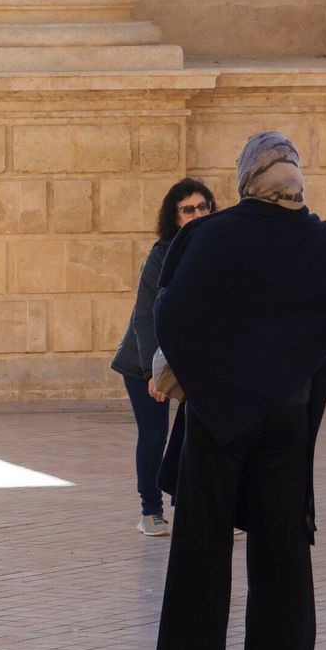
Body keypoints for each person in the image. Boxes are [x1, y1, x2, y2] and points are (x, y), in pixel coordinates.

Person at [136, 131, 326, 650]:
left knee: (202, 546)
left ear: (245, 178)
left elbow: (170, 308)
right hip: (286, 414)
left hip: (218, 414)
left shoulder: (210, 233)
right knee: (283, 546)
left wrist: (209, 362)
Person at [110, 178, 215, 536]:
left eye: (203, 207)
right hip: (145, 359)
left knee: (196, 436)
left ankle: (192, 507)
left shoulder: (216, 249)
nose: (198, 214)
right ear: (174, 217)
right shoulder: (162, 254)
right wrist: (152, 371)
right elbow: (145, 315)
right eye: (189, 209)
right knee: (154, 434)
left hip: (192, 359)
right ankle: (150, 510)